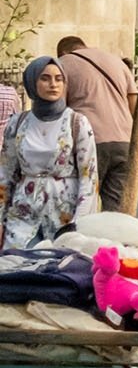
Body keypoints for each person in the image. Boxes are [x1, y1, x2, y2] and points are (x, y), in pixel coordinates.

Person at [0, 58, 99, 248]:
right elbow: (5, 174)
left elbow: (89, 179)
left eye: (59, 79)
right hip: (22, 215)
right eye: (45, 78)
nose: (53, 84)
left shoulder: (77, 123)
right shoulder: (18, 124)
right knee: (14, 268)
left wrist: (81, 226)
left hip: (64, 218)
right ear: (31, 82)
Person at [54, 34, 135, 213]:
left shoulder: (64, 63)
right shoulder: (116, 61)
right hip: (125, 141)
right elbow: (135, 105)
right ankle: (112, 240)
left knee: (82, 203)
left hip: (89, 142)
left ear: (64, 52)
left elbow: (58, 110)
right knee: (115, 207)